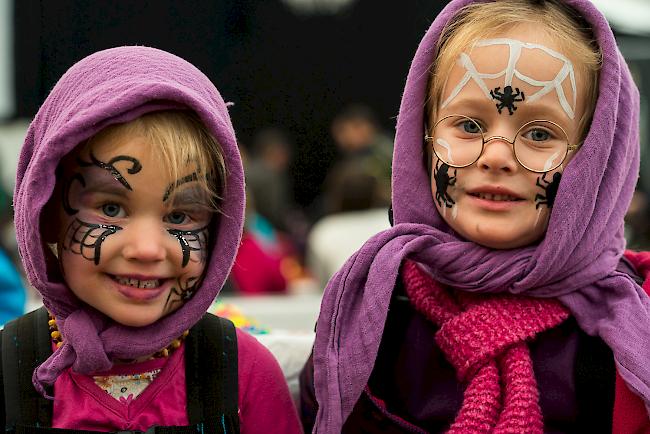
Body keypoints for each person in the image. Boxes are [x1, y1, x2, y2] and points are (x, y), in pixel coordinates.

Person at [300, 0, 650, 432]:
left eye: (541, 133)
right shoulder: (369, 315)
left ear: (599, 160)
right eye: (468, 125)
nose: (497, 155)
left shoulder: (629, 334)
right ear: (422, 136)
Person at [1, 46, 301, 434]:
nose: (146, 249)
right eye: (110, 209)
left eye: (179, 217)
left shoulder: (243, 373)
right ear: (45, 215)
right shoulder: (9, 368)